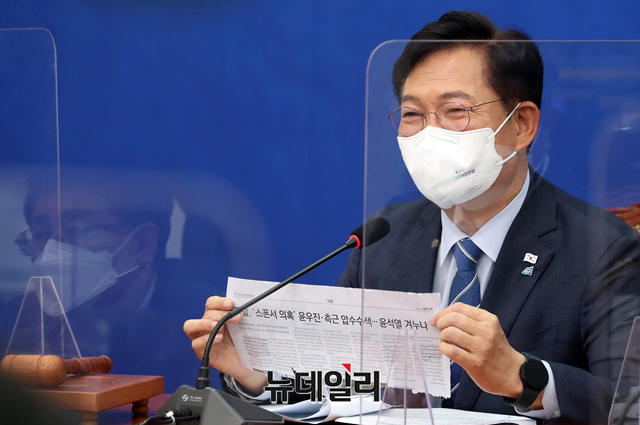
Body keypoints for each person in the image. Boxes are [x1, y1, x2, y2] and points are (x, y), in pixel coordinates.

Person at [183, 11, 640, 423]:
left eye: (455, 111)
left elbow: (630, 402)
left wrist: (523, 376)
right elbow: (351, 385)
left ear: (522, 124)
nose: (429, 134)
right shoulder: (385, 237)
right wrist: (258, 375)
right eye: (412, 114)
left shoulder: (602, 247)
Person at [3, 167, 212, 392]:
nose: (51, 250)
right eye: (41, 234)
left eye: (76, 229)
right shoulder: (15, 320)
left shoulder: (206, 323)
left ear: (142, 244)